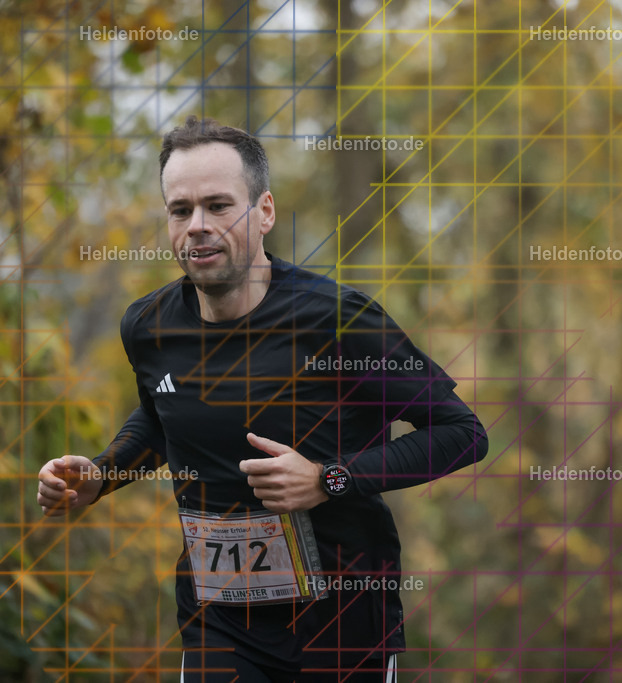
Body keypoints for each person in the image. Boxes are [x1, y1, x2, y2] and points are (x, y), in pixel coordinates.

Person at [36, 116, 489, 682]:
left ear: (265, 212)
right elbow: (161, 416)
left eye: (219, 206)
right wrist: (102, 474)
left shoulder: (339, 321)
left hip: (343, 626)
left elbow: (461, 434)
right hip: (218, 623)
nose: (197, 226)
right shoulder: (149, 326)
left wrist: (327, 480)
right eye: (181, 210)